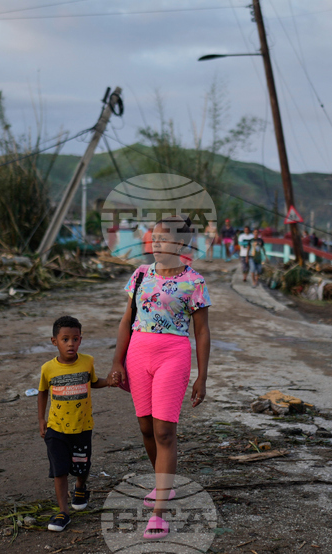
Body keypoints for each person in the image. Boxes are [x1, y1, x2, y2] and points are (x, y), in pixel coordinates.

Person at [108, 215, 212, 541]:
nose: (155, 244)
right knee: (145, 427)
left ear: (181, 244)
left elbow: (203, 332)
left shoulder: (194, 282)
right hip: (138, 355)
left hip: (173, 355)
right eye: (153, 238)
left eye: (163, 239)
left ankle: (159, 513)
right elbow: (127, 321)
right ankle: (161, 481)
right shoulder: (140, 275)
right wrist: (117, 362)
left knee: (164, 431)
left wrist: (202, 377)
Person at [38, 315, 110, 532]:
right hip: (56, 428)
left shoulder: (88, 361)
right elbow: (42, 393)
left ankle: (80, 486)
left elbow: (94, 382)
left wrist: (111, 382)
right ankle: (63, 511)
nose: (71, 344)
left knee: (82, 465)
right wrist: (41, 419)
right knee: (59, 469)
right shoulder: (48, 368)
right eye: (65, 339)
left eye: (75, 339)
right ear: (55, 341)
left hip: (82, 427)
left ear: (81, 340)